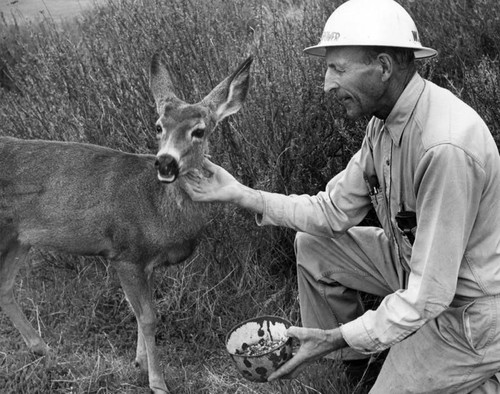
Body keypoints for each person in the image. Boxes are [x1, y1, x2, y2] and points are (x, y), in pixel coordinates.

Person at [184, 0, 500, 392]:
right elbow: (331, 211)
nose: (327, 84)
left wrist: (336, 335)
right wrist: (239, 194)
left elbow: (430, 295)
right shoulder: (382, 126)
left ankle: (476, 372)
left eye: (338, 68)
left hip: (467, 312)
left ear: (383, 67)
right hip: (416, 268)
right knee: (314, 246)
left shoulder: (444, 146)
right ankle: (352, 374)